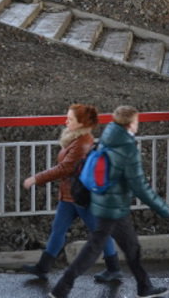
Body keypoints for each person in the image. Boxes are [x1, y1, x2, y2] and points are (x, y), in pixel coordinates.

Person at [50, 106, 169, 298]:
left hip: (102, 201)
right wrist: (165, 210)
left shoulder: (108, 138)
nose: (137, 125)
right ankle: (62, 287)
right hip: (114, 208)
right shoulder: (127, 148)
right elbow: (140, 186)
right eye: (137, 122)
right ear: (131, 124)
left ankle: (144, 286)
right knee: (97, 248)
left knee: (128, 247)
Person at [21, 104, 122, 282]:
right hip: (69, 195)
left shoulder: (83, 142)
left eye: (70, 119)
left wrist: (36, 178)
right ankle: (42, 267)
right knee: (58, 231)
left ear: (81, 123)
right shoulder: (76, 139)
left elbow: (64, 168)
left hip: (81, 196)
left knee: (99, 233)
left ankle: (114, 269)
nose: (65, 121)